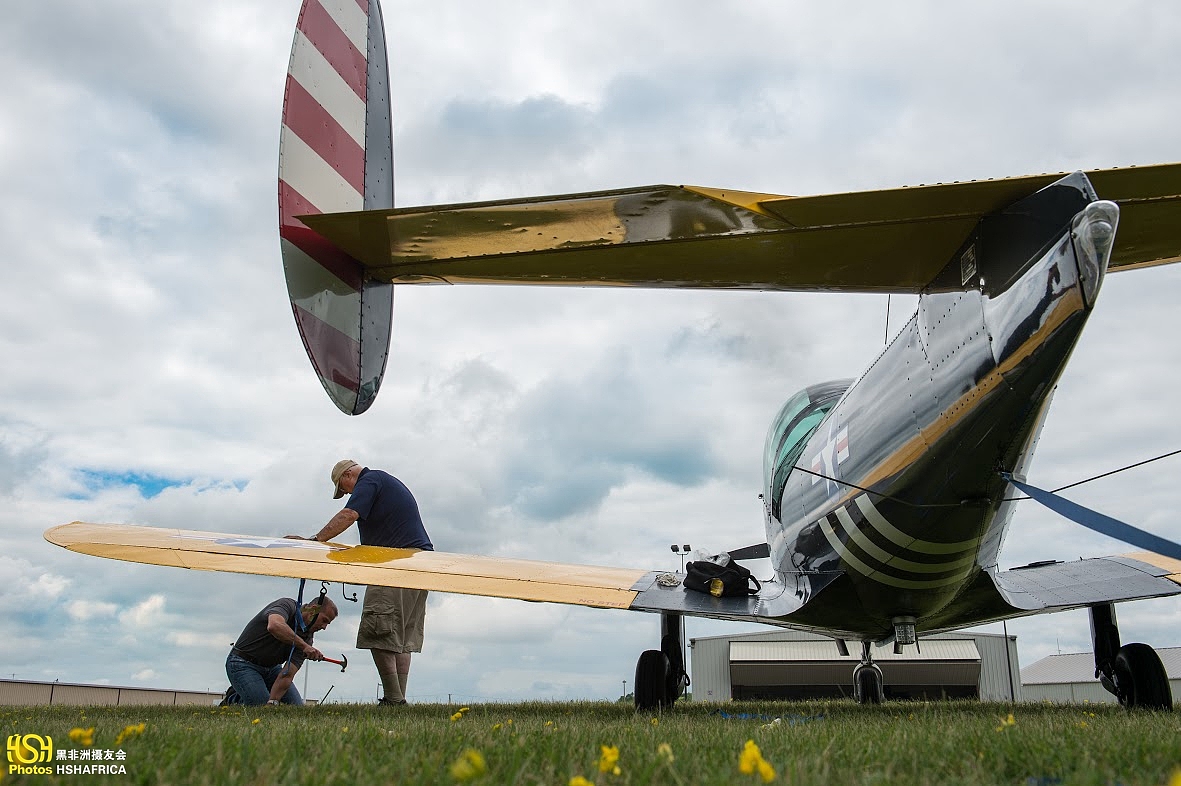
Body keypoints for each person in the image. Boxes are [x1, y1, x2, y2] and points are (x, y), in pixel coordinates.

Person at [300, 459, 433, 706]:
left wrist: (317, 540)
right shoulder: (386, 481)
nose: (348, 493)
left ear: (350, 474)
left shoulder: (369, 480)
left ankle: (394, 701)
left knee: (378, 630)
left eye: (345, 487)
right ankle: (398, 700)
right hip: (420, 564)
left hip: (394, 564)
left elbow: (349, 514)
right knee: (401, 638)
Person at [225, 594, 337, 706]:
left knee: (297, 707)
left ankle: (249, 692)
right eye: (324, 620)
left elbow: (287, 674)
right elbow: (274, 625)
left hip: (272, 669)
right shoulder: (286, 606)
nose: (324, 627)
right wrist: (303, 646)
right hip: (242, 663)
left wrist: (272, 702)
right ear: (313, 610)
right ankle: (234, 699)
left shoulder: (307, 638)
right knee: (260, 707)